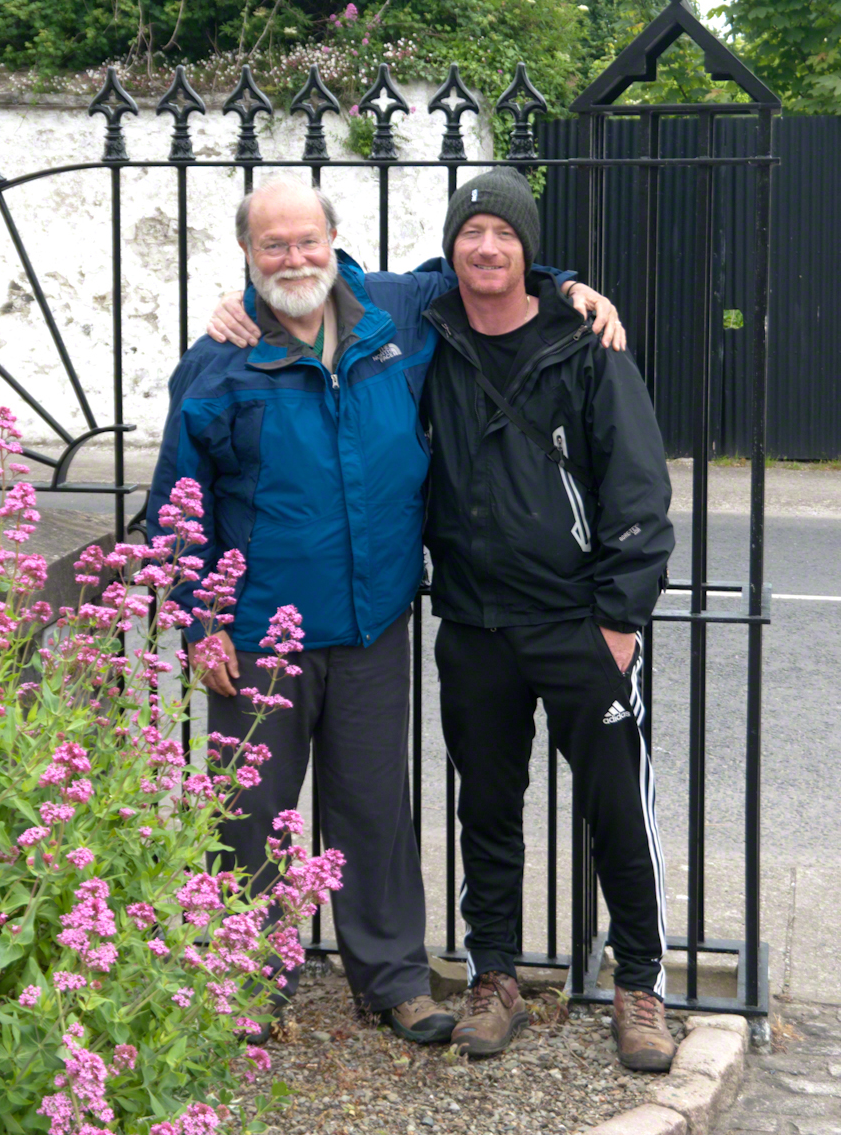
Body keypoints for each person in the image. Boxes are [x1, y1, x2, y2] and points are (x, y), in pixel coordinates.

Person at [148, 173, 623, 1046]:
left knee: (373, 811)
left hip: (374, 626)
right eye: (272, 246)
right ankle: (249, 982)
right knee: (249, 816)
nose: (294, 258)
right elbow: (181, 494)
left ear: (336, 242)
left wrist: (567, 286)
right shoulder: (220, 360)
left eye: (307, 241)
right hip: (258, 634)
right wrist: (197, 616)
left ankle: (394, 982)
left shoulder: (394, 314)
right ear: (248, 259)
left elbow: (487, 268)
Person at [421, 167, 675, 1069]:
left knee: (616, 810)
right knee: (486, 807)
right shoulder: (430, 335)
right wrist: (234, 309)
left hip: (579, 623)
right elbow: (330, 288)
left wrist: (618, 618)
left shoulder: (587, 342)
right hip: (474, 623)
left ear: (529, 251)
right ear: (450, 248)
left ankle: (639, 983)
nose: (486, 248)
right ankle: (494, 975)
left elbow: (640, 486)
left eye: (504, 235)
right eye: (470, 233)